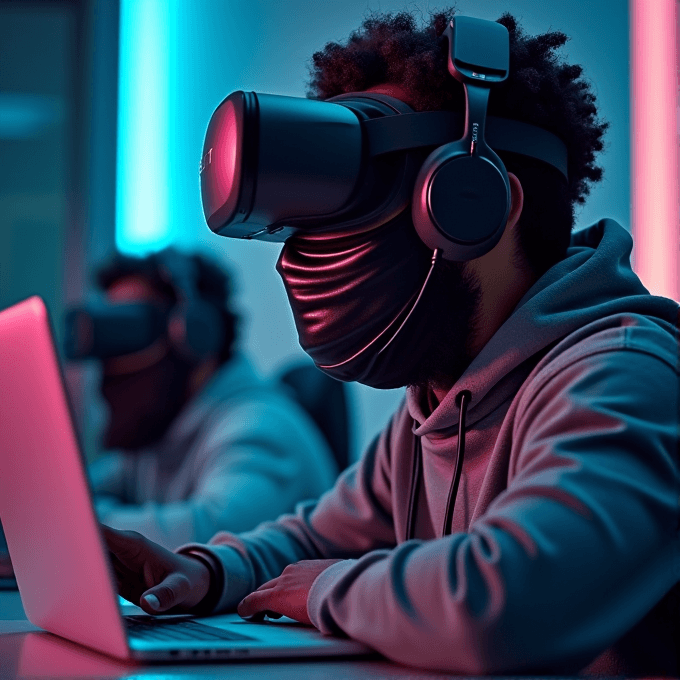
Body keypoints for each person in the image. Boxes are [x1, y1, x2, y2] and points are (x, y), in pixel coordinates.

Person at [103, 9, 680, 675]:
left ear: (476, 202)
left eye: (364, 199)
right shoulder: (433, 402)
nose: (311, 250)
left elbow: (507, 606)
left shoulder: (624, 375)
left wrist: (326, 589)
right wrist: (206, 571)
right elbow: (317, 536)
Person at [77, 248, 338, 549]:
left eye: (129, 331)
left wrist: (68, 522)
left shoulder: (259, 428)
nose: (112, 362)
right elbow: (81, 493)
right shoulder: (160, 430)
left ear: (197, 337)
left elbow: (207, 537)